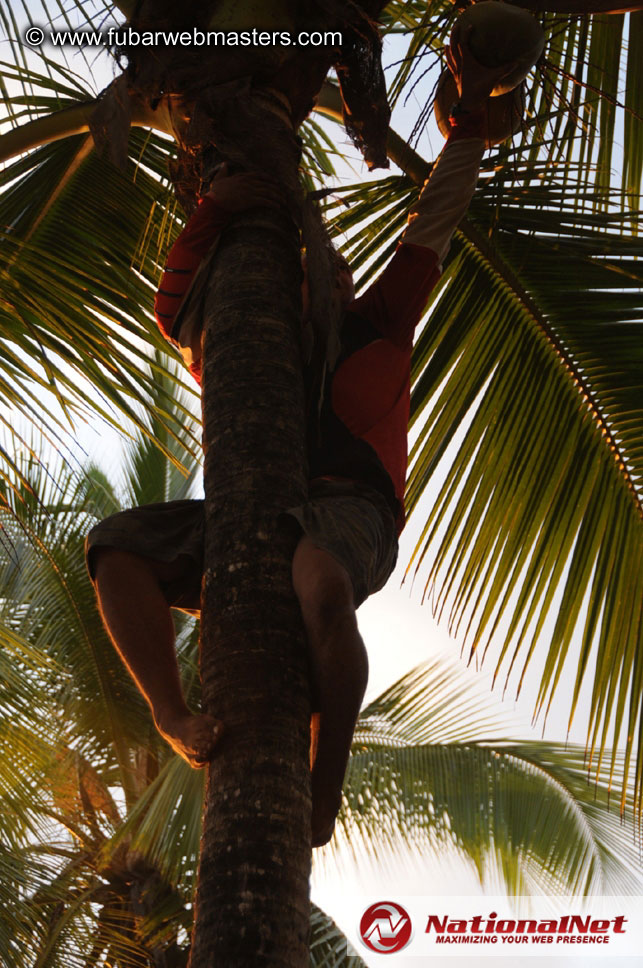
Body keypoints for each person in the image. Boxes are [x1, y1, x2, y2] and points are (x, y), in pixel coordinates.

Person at [86, 35, 514, 847]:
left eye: (328, 271)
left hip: (353, 513)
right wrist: (217, 208)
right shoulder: (251, 354)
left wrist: (464, 132)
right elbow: (173, 309)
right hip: (254, 506)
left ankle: (323, 787)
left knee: (317, 580)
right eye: (307, 273)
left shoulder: (378, 321)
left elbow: (434, 222)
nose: (324, 279)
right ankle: (173, 713)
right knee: (115, 547)